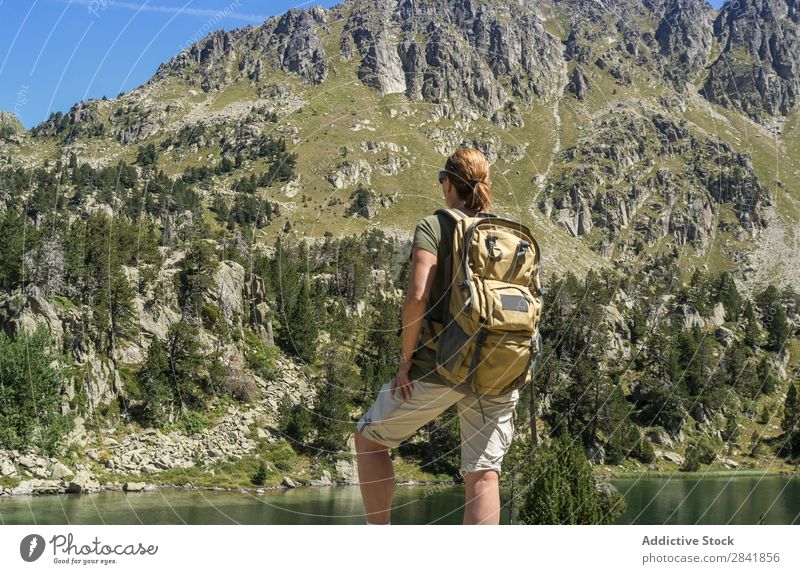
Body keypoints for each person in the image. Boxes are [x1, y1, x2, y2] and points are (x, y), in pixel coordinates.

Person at [354, 147, 519, 525]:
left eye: (441, 179)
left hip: (442, 365)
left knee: (369, 439)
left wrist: (405, 361)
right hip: (500, 366)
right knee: (482, 471)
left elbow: (416, 298)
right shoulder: (504, 234)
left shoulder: (435, 225)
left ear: (448, 183)